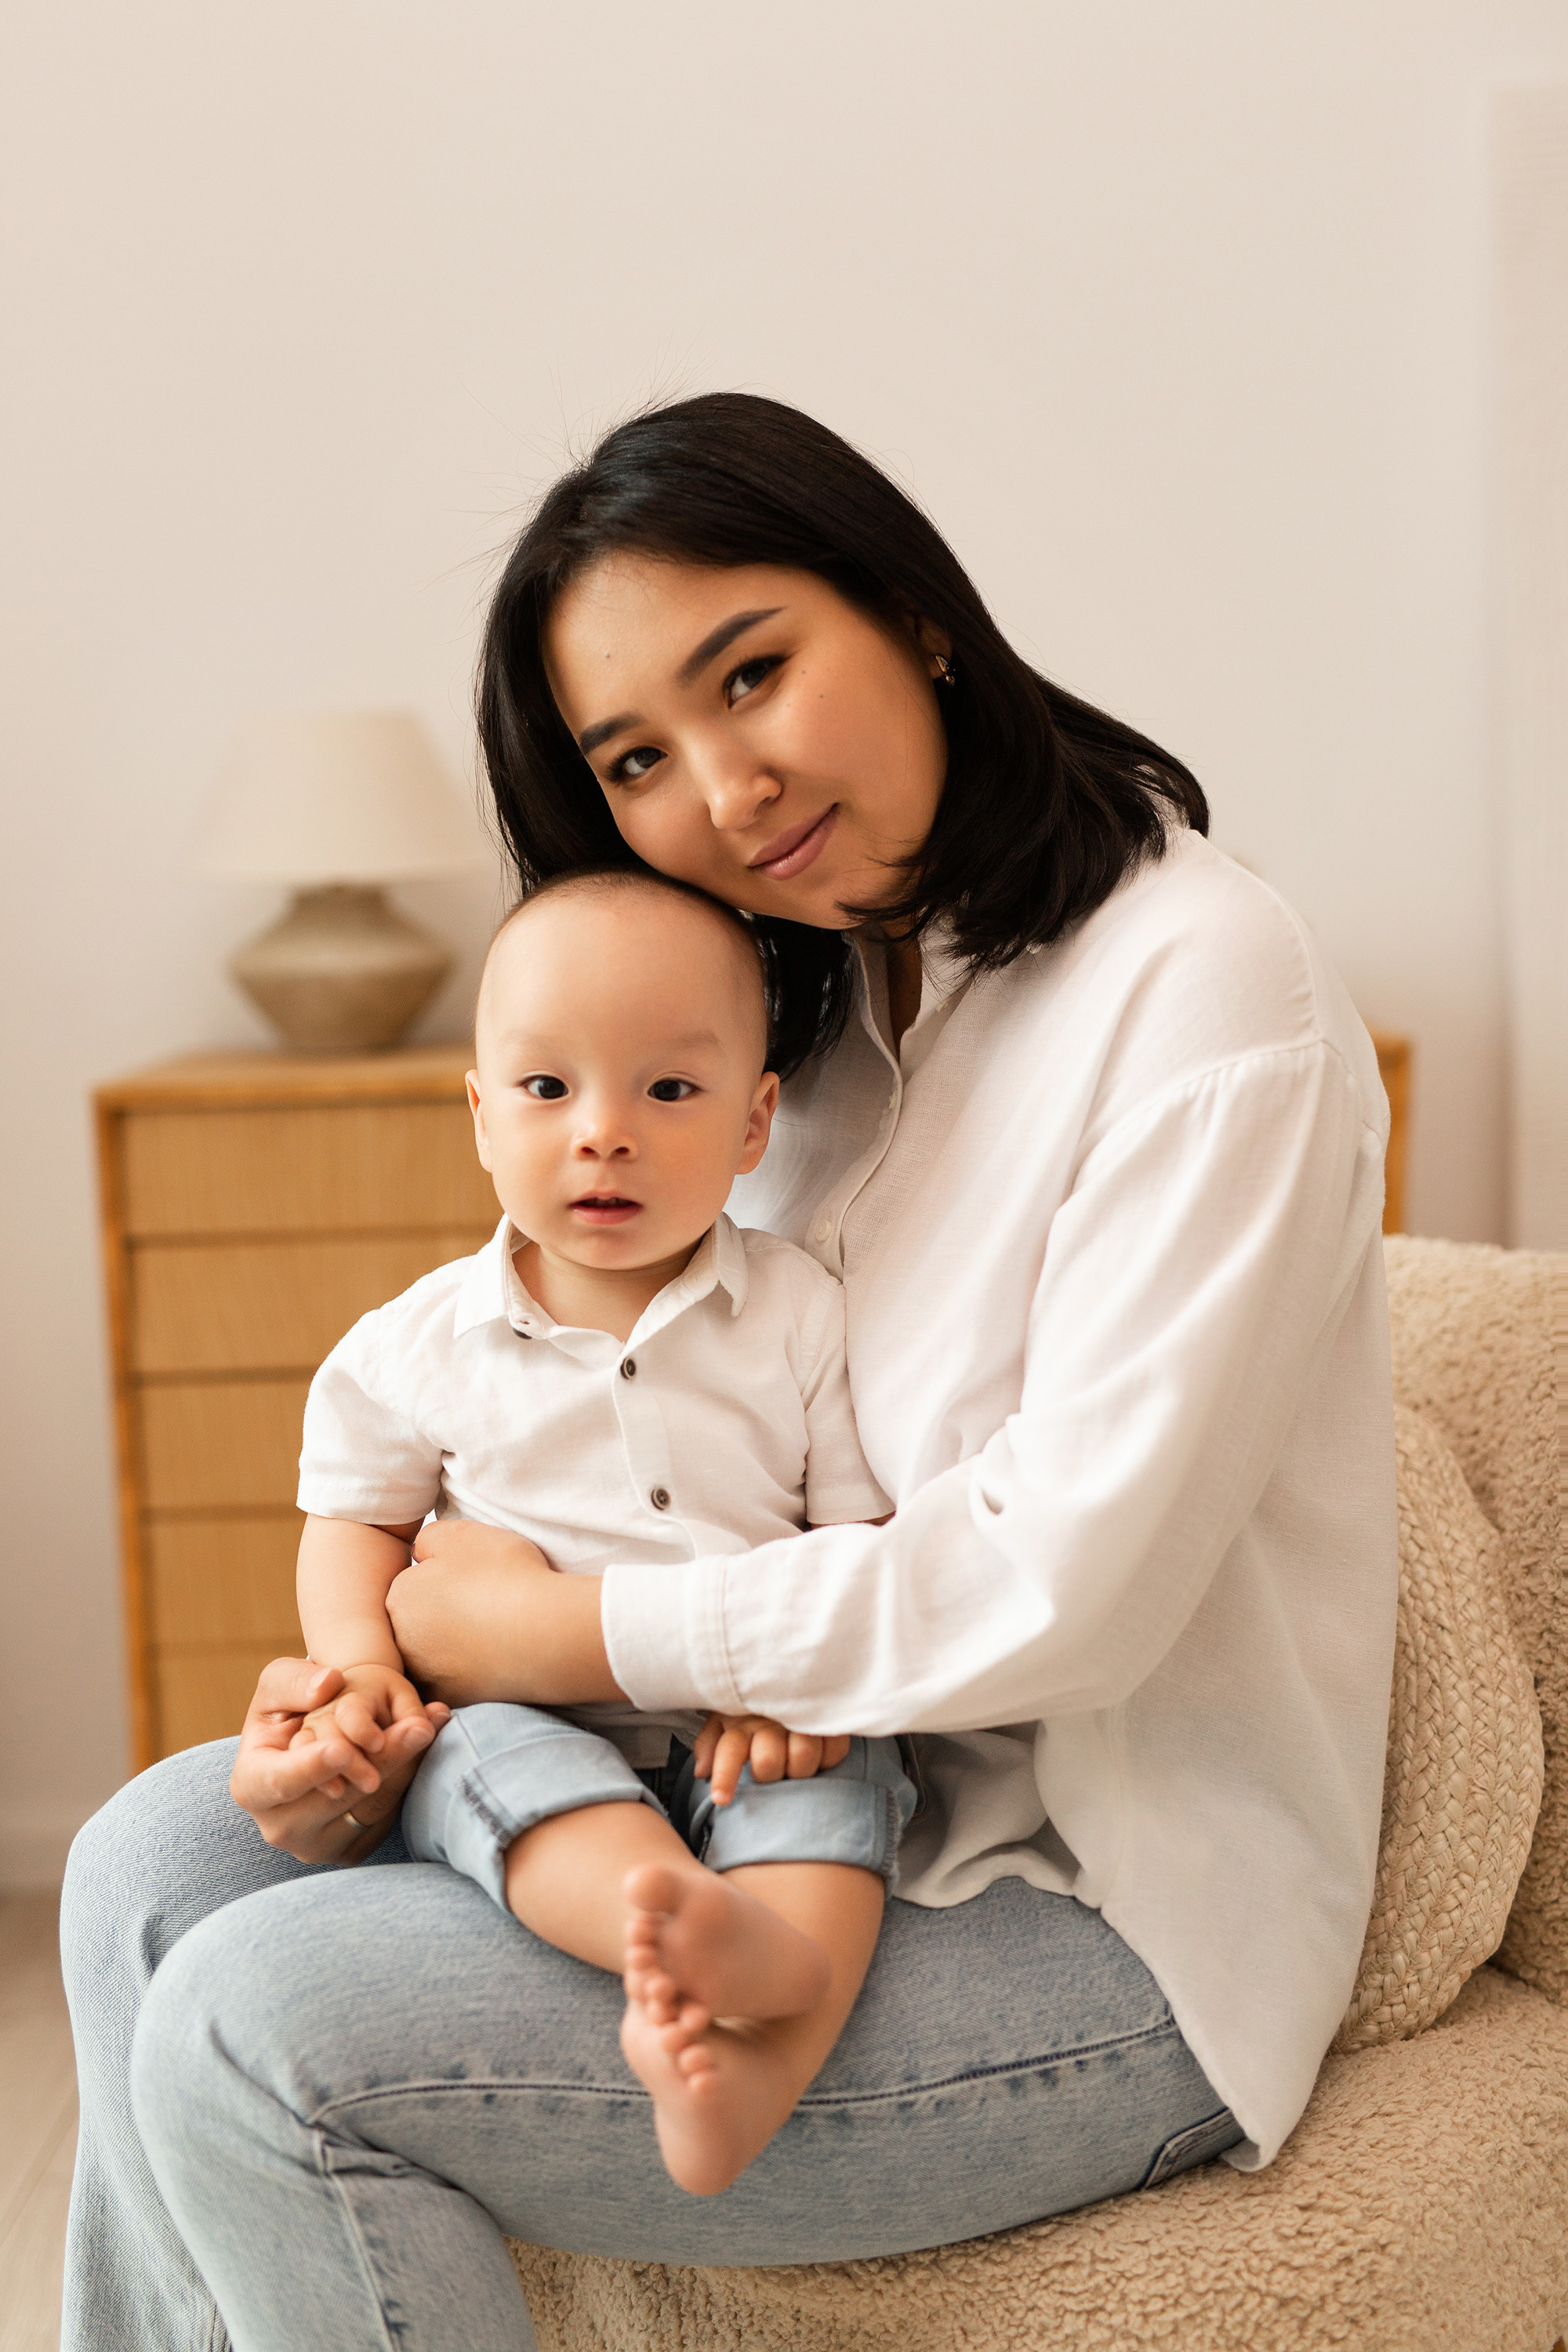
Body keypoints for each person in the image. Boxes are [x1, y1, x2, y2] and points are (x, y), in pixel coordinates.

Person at [60, 393, 1398, 2352]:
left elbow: (1062, 1590)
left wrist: (549, 1637)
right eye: (635, 759)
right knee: (139, 1871)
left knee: (267, 2029)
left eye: (750, 672)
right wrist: (375, 1686)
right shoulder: (816, 1017)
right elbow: (642, 1437)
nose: (724, 789)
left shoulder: (1206, 987)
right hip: (729, 1791)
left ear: (914, 611)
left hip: (1093, 1913)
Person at [290, 866, 912, 2197]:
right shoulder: (418, 1345)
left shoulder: (803, 1314)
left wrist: (800, 1684)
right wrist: (361, 1666)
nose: (604, 1134)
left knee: (832, 1787)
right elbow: (355, 1517)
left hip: (751, 1707)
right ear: (479, 1115)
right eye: (547, 1089)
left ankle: (758, 2045)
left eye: (668, 1091)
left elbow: (855, 1527)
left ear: (756, 1125)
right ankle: (673, 1929)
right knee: (492, 1778)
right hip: (529, 1712)